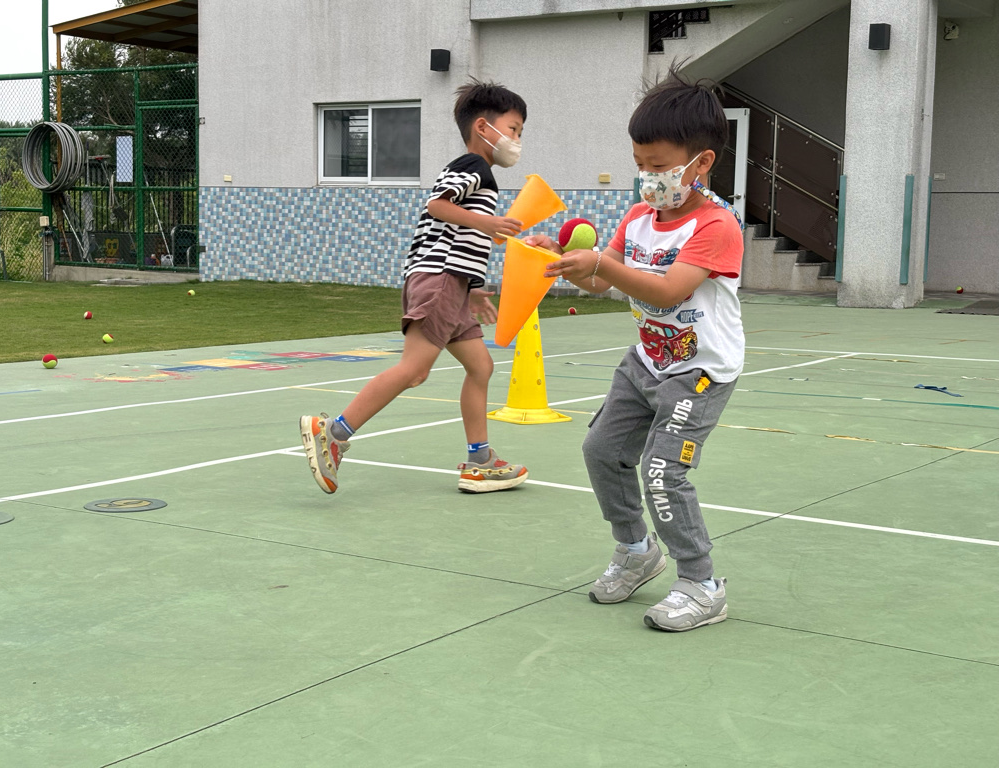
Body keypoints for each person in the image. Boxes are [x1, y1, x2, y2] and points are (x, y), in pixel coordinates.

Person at [527, 68, 746, 631]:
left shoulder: (717, 226)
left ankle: (701, 584)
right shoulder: (637, 218)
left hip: (698, 372)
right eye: (640, 164)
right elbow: (602, 282)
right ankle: (635, 550)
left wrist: (601, 263)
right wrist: (563, 260)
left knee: (662, 472)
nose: (648, 177)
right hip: (646, 362)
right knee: (601, 451)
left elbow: (668, 290)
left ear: (701, 163)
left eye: (659, 165)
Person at [300, 80, 530, 495]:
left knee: (481, 366)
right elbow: (438, 206)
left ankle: (480, 461)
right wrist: (490, 223)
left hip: (453, 284)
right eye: (513, 129)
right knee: (415, 369)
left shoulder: (479, 172)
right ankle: (333, 433)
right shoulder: (472, 166)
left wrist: (473, 288)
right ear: (483, 127)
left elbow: (460, 238)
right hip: (439, 280)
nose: (517, 140)